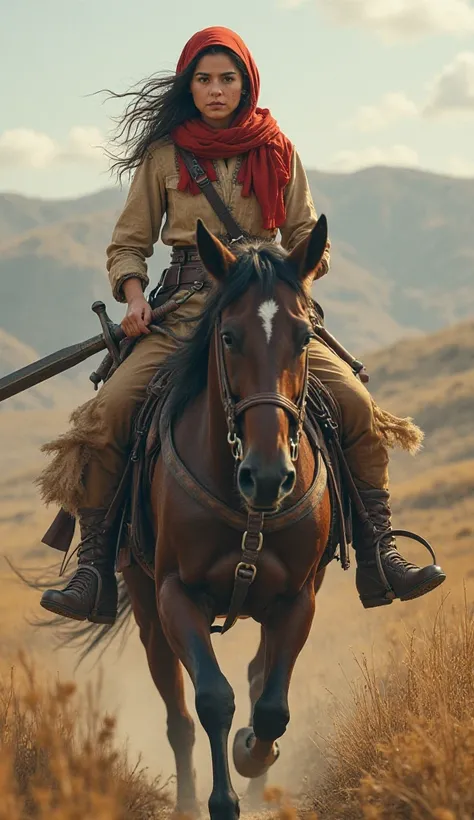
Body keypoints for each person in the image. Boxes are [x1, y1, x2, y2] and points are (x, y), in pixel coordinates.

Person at [38, 27, 445, 625]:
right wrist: (133, 298)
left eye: (227, 78)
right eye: (203, 79)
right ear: (190, 86)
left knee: (356, 406)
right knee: (106, 413)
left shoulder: (277, 146)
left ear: (246, 82)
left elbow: (307, 235)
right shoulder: (164, 156)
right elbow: (128, 244)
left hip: (266, 308)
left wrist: (289, 283)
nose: (215, 89)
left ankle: (380, 551)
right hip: (181, 312)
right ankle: (96, 567)